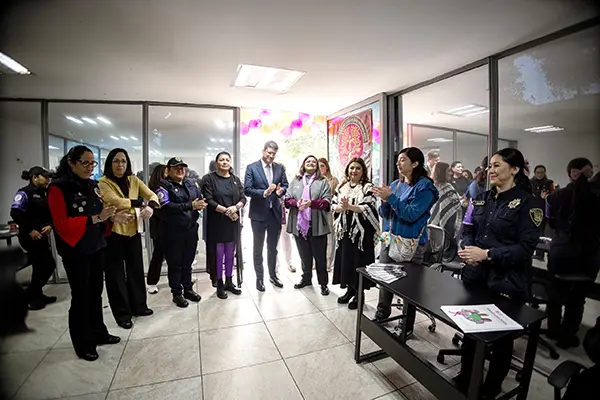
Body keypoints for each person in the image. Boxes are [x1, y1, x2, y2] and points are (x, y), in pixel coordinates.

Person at [456, 147, 541, 398]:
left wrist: (487, 254)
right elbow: (468, 228)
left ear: (514, 169)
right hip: (476, 276)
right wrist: (467, 249)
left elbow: (526, 248)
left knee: (501, 339)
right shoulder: (482, 198)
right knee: (470, 329)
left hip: (506, 280)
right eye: (489, 166)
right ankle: (466, 375)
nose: (490, 170)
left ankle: (492, 387)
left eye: (497, 165)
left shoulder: (527, 203)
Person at [48, 145, 125, 361]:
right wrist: (96, 218)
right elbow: (61, 224)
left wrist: (112, 217)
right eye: (85, 163)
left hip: (96, 245)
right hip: (76, 249)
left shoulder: (93, 185)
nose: (90, 167)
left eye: (93, 163)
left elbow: (99, 213)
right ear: (71, 163)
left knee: (95, 293)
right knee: (81, 296)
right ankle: (83, 343)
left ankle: (98, 332)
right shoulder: (58, 187)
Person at [372, 148, 438, 322]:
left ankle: (406, 324)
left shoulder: (425, 187)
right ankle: (382, 312)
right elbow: (384, 214)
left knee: (409, 286)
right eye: (398, 160)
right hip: (389, 238)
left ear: (415, 163)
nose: (398, 163)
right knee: (385, 278)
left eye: (402, 160)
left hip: (411, 243)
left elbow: (411, 215)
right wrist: (384, 200)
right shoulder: (396, 184)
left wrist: (391, 198)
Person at [98, 148, 157, 329]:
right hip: (113, 233)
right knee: (115, 275)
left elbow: (152, 195)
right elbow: (113, 200)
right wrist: (137, 202)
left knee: (136, 270)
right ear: (110, 163)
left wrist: (150, 206)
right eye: (116, 161)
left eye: (123, 161)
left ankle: (139, 306)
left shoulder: (133, 180)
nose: (120, 164)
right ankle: (122, 314)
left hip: (133, 231)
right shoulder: (103, 182)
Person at [546, 158, 600, 349]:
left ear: (570, 174)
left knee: (555, 295)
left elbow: (551, 223)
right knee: (577, 299)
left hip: (561, 253)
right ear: (590, 173)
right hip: (588, 255)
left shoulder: (556, 196)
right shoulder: (597, 196)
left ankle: (552, 330)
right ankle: (567, 337)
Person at [156, 157, 205, 308]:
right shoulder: (163, 185)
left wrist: (199, 204)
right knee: (175, 264)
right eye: (176, 168)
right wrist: (190, 205)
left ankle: (188, 289)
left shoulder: (191, 183)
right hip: (173, 232)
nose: (180, 170)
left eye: (182, 167)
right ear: (168, 170)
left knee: (187, 262)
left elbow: (199, 198)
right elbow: (166, 206)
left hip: (190, 229)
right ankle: (177, 293)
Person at [332, 158, 380, 309]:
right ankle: (349, 290)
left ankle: (359, 294)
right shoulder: (342, 187)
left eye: (358, 168)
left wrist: (349, 207)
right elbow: (333, 205)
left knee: (359, 262)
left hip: (361, 234)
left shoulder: (367, 187)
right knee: (346, 261)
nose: (354, 171)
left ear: (363, 171)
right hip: (345, 232)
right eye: (352, 168)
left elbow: (368, 207)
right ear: (347, 170)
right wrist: (340, 207)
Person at [243, 141, 289, 292]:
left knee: (273, 248)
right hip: (258, 214)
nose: (271, 156)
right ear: (263, 151)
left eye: (273, 154)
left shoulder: (279, 168)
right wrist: (264, 193)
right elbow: (247, 190)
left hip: (274, 213)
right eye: (269, 152)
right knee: (258, 248)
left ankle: (273, 275)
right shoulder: (252, 168)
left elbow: (285, 185)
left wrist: (280, 191)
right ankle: (259, 278)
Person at [10, 166, 57, 310]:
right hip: (29, 236)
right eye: (45, 177)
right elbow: (15, 213)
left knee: (40, 266)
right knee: (48, 264)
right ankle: (30, 296)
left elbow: (49, 212)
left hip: (42, 235)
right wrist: (30, 230)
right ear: (35, 178)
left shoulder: (44, 193)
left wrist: (49, 225)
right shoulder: (24, 193)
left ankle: (37, 294)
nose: (48, 180)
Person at [285, 155, 332, 296]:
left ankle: (323, 284)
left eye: (313, 162)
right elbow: (287, 199)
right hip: (299, 226)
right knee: (304, 256)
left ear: (317, 166)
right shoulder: (296, 180)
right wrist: (296, 203)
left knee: (320, 258)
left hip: (317, 225)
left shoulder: (323, 182)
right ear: (303, 164)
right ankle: (306, 279)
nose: (311, 163)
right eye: (308, 161)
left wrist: (312, 203)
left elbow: (327, 203)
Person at [202, 151, 245, 300]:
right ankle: (219, 284)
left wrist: (236, 207)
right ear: (216, 162)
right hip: (217, 223)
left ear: (230, 162)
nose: (225, 162)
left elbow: (243, 198)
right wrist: (226, 210)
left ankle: (229, 281)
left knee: (230, 253)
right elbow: (208, 200)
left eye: (227, 159)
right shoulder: (209, 179)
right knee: (218, 255)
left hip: (232, 222)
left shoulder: (235, 180)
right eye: (221, 160)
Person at [146, 164, 167, 294]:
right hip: (159, 226)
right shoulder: (155, 190)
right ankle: (152, 282)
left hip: (171, 226)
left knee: (174, 255)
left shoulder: (169, 187)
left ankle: (181, 279)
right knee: (158, 255)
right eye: (166, 172)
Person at [429, 162, 462, 241]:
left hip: (451, 223)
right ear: (441, 172)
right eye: (448, 171)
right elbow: (434, 209)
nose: (451, 173)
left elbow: (456, 203)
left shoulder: (449, 187)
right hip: (437, 226)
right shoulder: (432, 188)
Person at [319, 157, 339, 272]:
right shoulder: (314, 180)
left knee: (330, 238)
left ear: (327, 167)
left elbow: (337, 196)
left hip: (329, 212)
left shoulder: (333, 180)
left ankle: (328, 263)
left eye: (322, 165)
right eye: (318, 166)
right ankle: (318, 262)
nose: (320, 168)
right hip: (317, 212)